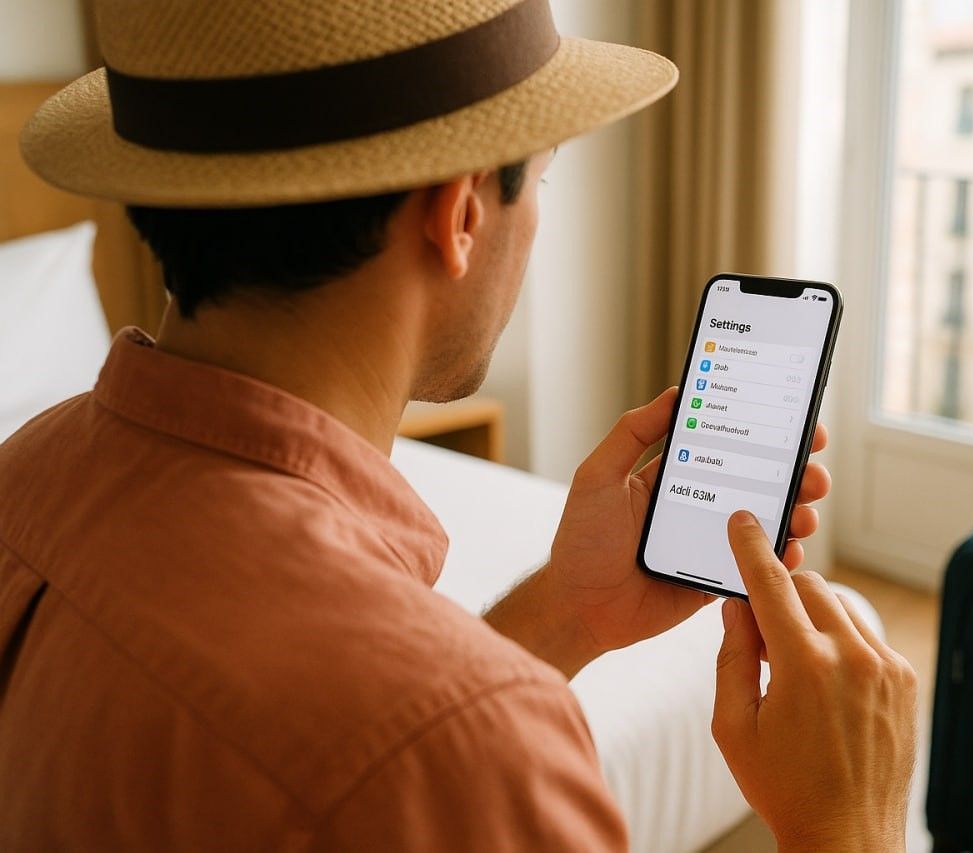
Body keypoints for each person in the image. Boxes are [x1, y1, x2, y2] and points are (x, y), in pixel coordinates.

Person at [0, 0, 917, 850]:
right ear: (463, 213)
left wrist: (565, 609)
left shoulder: (24, 476)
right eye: (544, 179)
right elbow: (410, 738)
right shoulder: (474, 753)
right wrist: (854, 824)